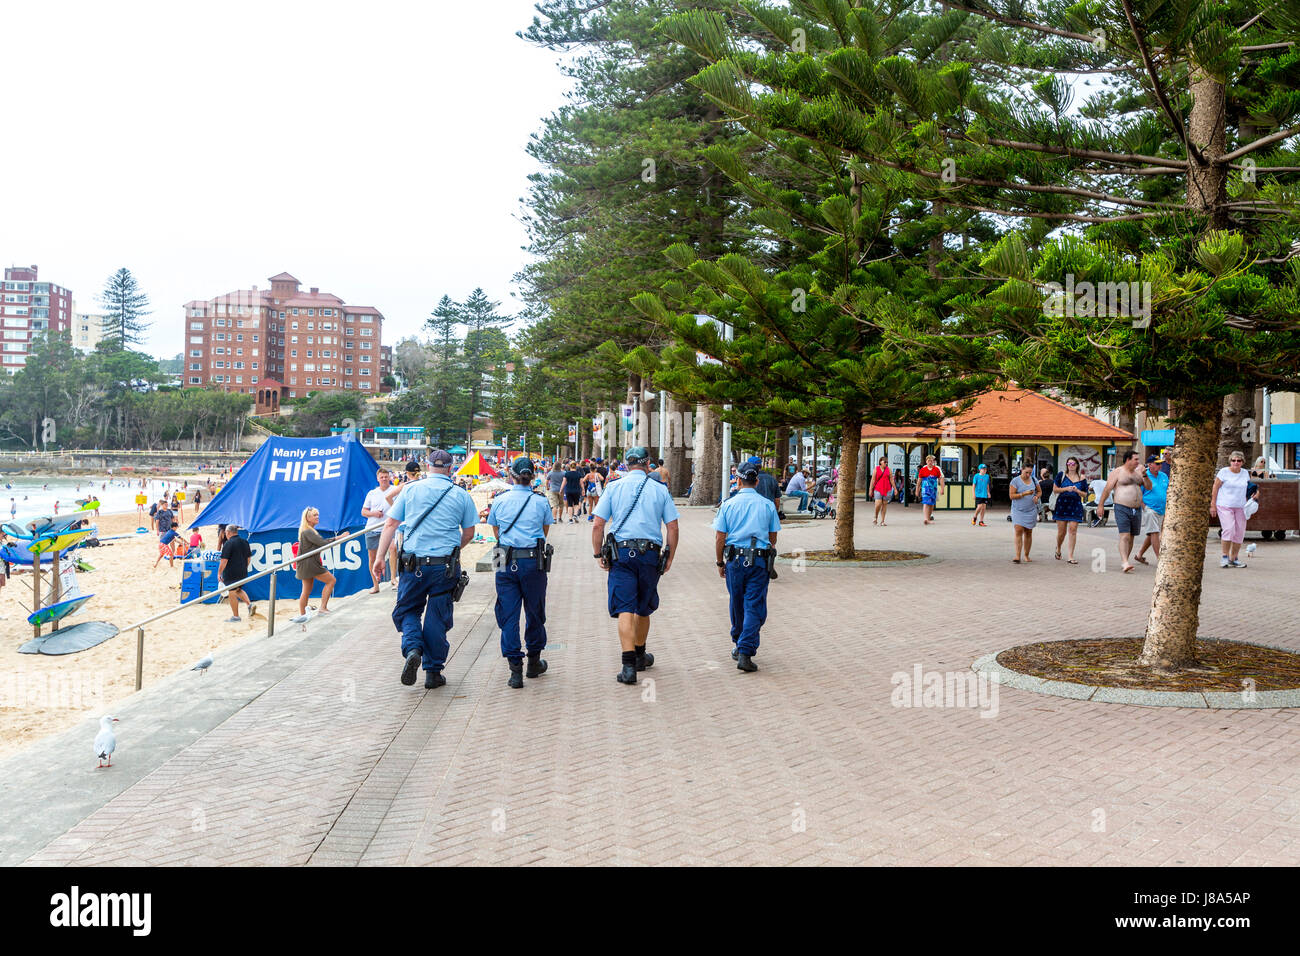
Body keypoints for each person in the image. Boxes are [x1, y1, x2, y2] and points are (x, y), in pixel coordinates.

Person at [372, 449, 478, 689]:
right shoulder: (461, 494)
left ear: (427, 466)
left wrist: (380, 557)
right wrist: (453, 548)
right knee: (437, 617)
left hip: (414, 564)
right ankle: (433, 673)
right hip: (445, 566)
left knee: (408, 609)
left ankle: (412, 648)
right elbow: (469, 533)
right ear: (451, 468)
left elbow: (390, 523)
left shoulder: (410, 489)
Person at [592, 446, 680, 685]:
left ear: (626, 464)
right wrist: (669, 555)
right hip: (650, 555)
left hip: (621, 554)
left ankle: (628, 666)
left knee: (625, 608)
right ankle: (640, 654)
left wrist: (598, 553)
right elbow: (672, 527)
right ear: (647, 463)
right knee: (644, 606)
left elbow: (598, 524)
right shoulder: (660, 490)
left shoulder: (613, 487)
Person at [488, 457, 554, 688]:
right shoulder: (541, 501)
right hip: (532, 558)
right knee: (535, 611)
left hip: (503, 556)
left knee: (508, 613)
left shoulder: (500, 499)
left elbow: (496, 531)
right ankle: (534, 662)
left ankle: (515, 669)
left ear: (511, 475)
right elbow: (544, 532)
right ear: (532, 476)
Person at [713, 458, 780, 673]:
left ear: (738, 481)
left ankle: (739, 643)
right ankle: (745, 650)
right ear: (757, 481)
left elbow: (719, 538)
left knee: (737, 602)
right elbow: (773, 538)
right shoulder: (767, 505)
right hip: (759, 561)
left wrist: (719, 562)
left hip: (734, 559)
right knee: (754, 605)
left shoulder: (728, 504)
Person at [1097, 450, 1151, 573]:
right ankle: (1124, 562)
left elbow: (1148, 487)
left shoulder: (1139, 472)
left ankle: (1126, 559)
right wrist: (1100, 506)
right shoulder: (1118, 472)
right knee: (1125, 535)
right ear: (1128, 460)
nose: (1138, 461)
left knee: (1131, 536)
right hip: (1122, 506)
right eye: (1136, 459)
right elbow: (1107, 489)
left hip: (1136, 509)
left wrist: (1145, 475)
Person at [292, 507, 343, 621]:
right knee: (331, 580)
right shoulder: (308, 531)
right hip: (310, 564)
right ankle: (322, 608)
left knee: (306, 590)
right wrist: (339, 537)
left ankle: (303, 615)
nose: (317, 517)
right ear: (308, 518)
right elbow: (322, 543)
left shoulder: (307, 530)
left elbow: (320, 543)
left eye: (317, 515)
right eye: (315, 515)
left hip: (305, 564)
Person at [1213, 451, 1251, 568]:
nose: (1236, 462)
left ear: (1242, 462)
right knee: (1229, 529)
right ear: (1230, 461)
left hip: (1240, 506)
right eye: (1233, 460)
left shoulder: (1245, 473)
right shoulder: (1223, 472)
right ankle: (1224, 556)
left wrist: (1255, 494)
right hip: (1225, 505)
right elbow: (1216, 487)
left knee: (1239, 532)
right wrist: (1212, 504)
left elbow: (1249, 487)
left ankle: (1234, 558)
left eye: (1238, 461)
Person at [362, 468, 398, 593]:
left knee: (393, 549)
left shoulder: (394, 490)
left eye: (386, 477)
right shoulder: (372, 493)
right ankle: (375, 585)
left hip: (390, 527)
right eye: (381, 477)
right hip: (373, 528)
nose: (384, 479)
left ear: (389, 478)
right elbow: (363, 511)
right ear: (377, 479)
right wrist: (374, 513)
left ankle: (393, 579)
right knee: (372, 557)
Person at [1051, 457, 1088, 563]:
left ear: (1077, 465)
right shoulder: (1061, 475)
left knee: (1073, 530)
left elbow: (1085, 494)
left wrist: (1077, 491)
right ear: (1067, 465)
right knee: (1061, 532)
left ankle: (1071, 556)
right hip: (1062, 505)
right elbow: (1055, 489)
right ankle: (1058, 548)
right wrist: (1066, 489)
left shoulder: (1081, 477)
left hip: (1075, 505)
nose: (1071, 465)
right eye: (1069, 463)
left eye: (1073, 464)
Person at [1135, 455, 1169, 565]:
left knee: (1152, 534)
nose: (1160, 465)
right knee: (1155, 532)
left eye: (1161, 463)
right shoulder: (1144, 476)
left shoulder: (1163, 475)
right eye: (1157, 463)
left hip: (1161, 509)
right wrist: (1144, 507)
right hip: (1150, 508)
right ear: (1149, 465)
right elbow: (1138, 493)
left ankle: (1139, 555)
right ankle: (1160, 559)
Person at [218, 523, 255, 622]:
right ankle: (250, 605)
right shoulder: (244, 542)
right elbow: (248, 558)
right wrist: (244, 568)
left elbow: (224, 561)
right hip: (243, 571)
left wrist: (219, 573)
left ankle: (236, 616)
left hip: (231, 573)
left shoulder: (228, 543)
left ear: (228, 532)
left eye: (226, 532)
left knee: (232, 593)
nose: (225, 534)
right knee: (237, 590)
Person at [1008, 461, 1039, 563]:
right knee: (1018, 529)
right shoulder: (1015, 481)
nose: (1028, 475)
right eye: (1026, 472)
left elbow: (1039, 491)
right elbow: (1011, 496)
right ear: (1022, 470)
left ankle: (1026, 555)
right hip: (1018, 510)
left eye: (1030, 473)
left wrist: (1036, 496)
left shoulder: (1034, 480)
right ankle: (1017, 556)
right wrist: (1023, 494)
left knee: (1028, 532)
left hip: (1031, 510)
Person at [915, 454, 944, 524]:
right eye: (928, 461)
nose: (930, 462)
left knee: (931, 504)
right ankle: (926, 518)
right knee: (925, 503)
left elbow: (941, 479)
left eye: (931, 461)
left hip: (933, 489)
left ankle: (928, 518)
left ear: (933, 462)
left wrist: (942, 488)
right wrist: (917, 490)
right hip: (925, 489)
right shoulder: (923, 470)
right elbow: (919, 481)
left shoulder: (936, 469)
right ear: (926, 461)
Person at [871, 456, 893, 526]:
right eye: (884, 462)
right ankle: (875, 516)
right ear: (880, 462)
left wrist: (895, 489)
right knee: (878, 504)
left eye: (887, 462)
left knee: (884, 505)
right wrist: (870, 489)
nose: (886, 463)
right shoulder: (876, 469)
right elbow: (873, 480)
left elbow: (891, 479)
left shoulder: (888, 469)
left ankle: (882, 521)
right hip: (878, 488)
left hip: (887, 489)